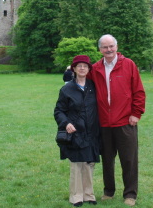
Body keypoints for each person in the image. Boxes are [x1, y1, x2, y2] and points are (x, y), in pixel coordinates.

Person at [88, 34, 146, 207]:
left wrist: (136, 113)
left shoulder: (128, 65)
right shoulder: (95, 69)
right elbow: (83, 84)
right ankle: (109, 191)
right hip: (104, 123)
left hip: (125, 122)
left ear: (116, 46)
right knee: (107, 159)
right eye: (105, 47)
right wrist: (70, 72)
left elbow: (139, 91)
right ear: (100, 49)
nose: (109, 50)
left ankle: (130, 194)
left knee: (129, 160)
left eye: (111, 46)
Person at [54, 55, 101, 207]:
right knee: (77, 164)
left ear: (88, 69)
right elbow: (59, 111)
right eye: (79, 66)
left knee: (89, 163)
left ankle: (89, 194)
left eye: (85, 66)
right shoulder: (67, 89)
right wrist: (66, 123)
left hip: (92, 132)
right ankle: (76, 196)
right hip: (75, 132)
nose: (82, 68)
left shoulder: (93, 86)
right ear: (73, 69)